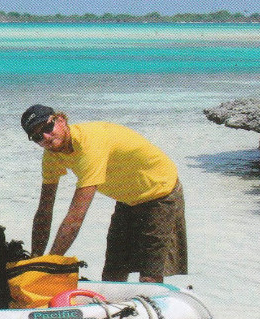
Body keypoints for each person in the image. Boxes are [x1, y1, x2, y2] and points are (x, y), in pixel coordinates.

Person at [20, 104, 187, 283]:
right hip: (127, 199)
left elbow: (75, 219)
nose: (46, 137)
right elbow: (45, 210)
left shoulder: (89, 146)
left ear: (61, 120)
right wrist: (35, 260)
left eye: (47, 127)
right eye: (37, 136)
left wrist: (49, 267)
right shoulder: (52, 156)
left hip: (160, 193)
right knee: (112, 274)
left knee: (149, 276)